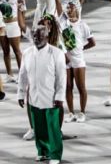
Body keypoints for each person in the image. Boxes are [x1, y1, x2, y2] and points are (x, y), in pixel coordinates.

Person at [17, 24, 66, 164]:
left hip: (51, 98)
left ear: (47, 36)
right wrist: (20, 95)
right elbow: (22, 76)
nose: (36, 38)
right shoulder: (27, 53)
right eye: (34, 35)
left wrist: (59, 97)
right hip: (34, 97)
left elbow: (61, 77)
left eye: (39, 35)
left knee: (53, 128)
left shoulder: (57, 53)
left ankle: (55, 155)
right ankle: (43, 152)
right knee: (39, 128)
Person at [57, 0, 95, 123]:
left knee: (81, 87)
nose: (69, 10)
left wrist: (81, 48)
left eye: (71, 8)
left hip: (78, 60)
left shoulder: (83, 25)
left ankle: (82, 112)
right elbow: (59, 42)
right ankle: (71, 112)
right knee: (68, 87)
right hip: (66, 61)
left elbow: (92, 42)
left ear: (77, 9)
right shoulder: (62, 24)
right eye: (67, 8)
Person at [1, 0, 25, 81]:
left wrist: (21, 26)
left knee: (17, 51)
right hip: (2, 26)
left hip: (13, 25)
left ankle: (21, 75)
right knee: (5, 51)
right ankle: (9, 74)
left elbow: (23, 12)